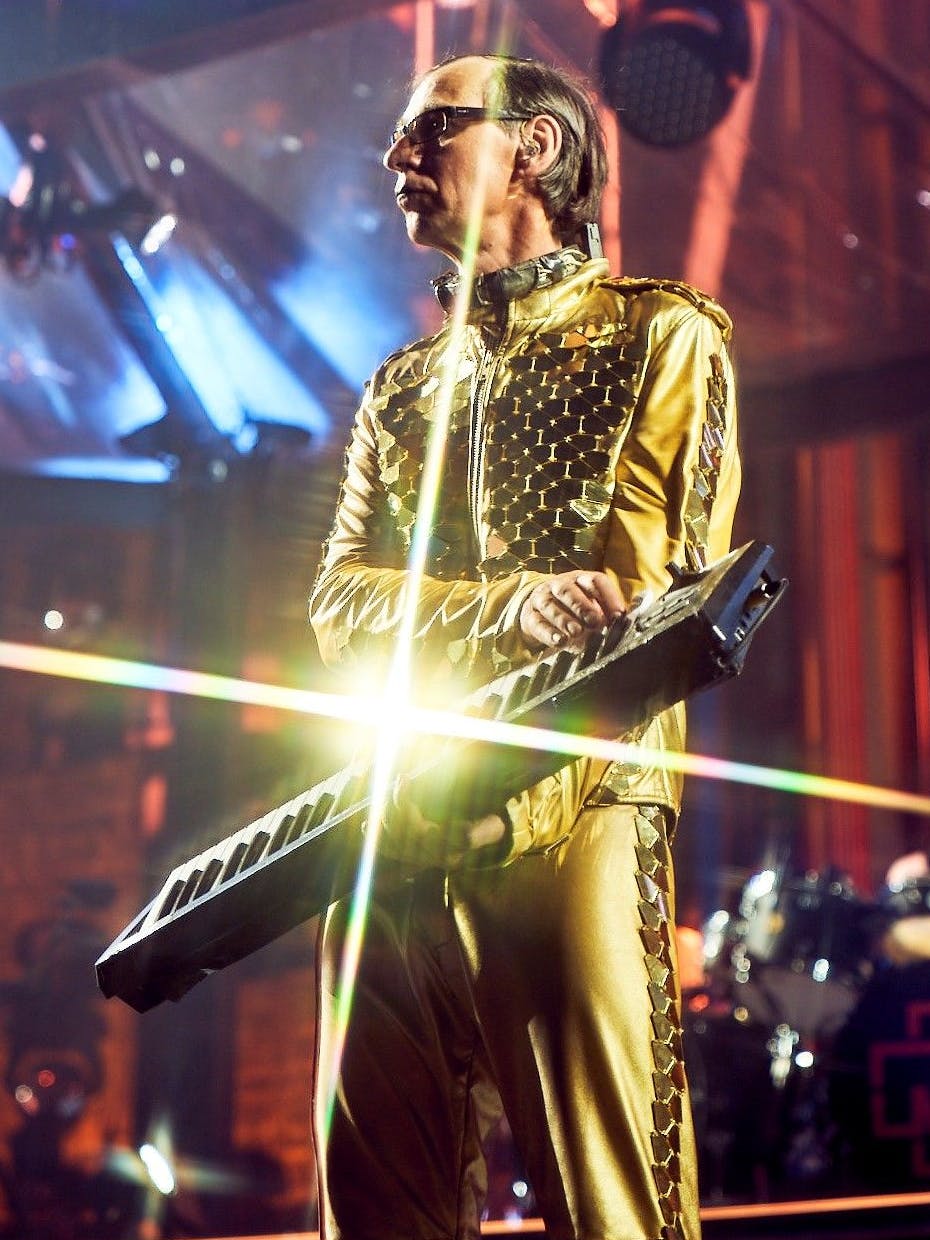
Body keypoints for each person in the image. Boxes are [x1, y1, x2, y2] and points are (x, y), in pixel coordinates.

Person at [308, 52, 741, 1240]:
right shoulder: (397, 389)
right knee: (377, 1212)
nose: (398, 157)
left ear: (532, 148)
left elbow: (653, 604)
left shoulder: (663, 333)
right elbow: (339, 605)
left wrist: (519, 790)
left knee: (614, 1209)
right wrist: (503, 606)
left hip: (579, 806)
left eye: (429, 129)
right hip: (390, 831)